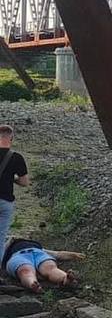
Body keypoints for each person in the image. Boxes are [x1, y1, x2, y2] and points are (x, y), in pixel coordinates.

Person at [2, 237, 86, 291]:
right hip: (17, 255)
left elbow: (57, 254)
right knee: (26, 271)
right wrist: (10, 241)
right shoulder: (7, 246)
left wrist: (73, 255)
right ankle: (32, 283)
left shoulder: (38, 247)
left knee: (50, 267)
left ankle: (66, 278)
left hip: (38, 252)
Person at [0, 124, 28, 260]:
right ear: (11, 138)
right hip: (5, 202)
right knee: (0, 238)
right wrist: (13, 178)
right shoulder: (17, 157)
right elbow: (24, 182)